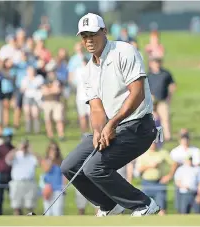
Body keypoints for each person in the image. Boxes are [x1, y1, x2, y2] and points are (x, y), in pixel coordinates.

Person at [61, 13, 163, 217]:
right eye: (84, 36)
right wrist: (99, 130)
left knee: (93, 167)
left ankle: (143, 204)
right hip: (114, 127)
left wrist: (112, 124)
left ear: (104, 32)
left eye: (93, 34)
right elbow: (96, 108)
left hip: (139, 126)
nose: (89, 40)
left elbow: (138, 93)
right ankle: (109, 205)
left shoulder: (123, 51)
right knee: (70, 166)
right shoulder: (88, 69)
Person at [136, 141, 175, 215]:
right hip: (146, 183)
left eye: (154, 142)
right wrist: (151, 166)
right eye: (151, 142)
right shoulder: (143, 153)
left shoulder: (162, 152)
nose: (153, 144)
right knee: (145, 209)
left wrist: (169, 176)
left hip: (159, 183)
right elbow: (139, 169)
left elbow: (174, 164)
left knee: (162, 209)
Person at [5, 139, 39, 215]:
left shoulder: (32, 156)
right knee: (16, 207)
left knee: (30, 207)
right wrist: (17, 148)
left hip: (30, 182)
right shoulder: (16, 154)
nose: (24, 147)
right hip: (17, 182)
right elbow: (7, 159)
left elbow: (40, 162)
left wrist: (32, 151)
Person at [147, 57, 176, 141]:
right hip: (152, 100)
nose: (156, 65)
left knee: (165, 118)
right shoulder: (149, 75)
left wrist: (169, 96)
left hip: (163, 100)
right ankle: (156, 137)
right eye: (154, 63)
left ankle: (167, 136)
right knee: (154, 119)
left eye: (158, 62)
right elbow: (145, 88)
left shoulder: (165, 74)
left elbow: (172, 85)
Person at [39, 141, 66, 216]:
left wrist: (64, 187)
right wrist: (51, 158)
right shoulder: (45, 160)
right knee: (48, 212)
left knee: (58, 212)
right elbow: (46, 169)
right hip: (48, 189)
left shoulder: (61, 161)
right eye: (51, 149)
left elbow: (64, 175)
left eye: (55, 149)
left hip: (58, 189)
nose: (54, 151)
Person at [41, 71, 65, 140]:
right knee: (48, 119)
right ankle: (50, 135)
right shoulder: (45, 81)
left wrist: (49, 90)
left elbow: (58, 90)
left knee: (59, 119)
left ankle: (61, 135)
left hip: (57, 102)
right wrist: (53, 89)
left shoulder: (58, 81)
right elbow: (44, 92)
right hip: (47, 102)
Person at [21, 66, 44, 134]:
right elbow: (22, 89)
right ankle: (28, 129)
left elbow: (41, 87)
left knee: (35, 114)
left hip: (36, 97)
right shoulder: (25, 79)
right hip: (27, 97)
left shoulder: (39, 78)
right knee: (27, 113)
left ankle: (37, 130)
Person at [72, 57, 91, 135]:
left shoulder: (91, 69)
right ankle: (84, 133)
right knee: (82, 116)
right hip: (81, 97)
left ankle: (92, 133)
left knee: (91, 116)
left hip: (89, 97)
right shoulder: (78, 70)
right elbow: (75, 82)